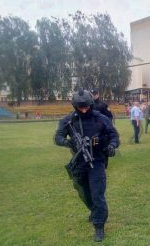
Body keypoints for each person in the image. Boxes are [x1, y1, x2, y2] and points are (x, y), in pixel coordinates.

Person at [54, 89, 119, 242]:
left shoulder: (101, 118)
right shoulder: (68, 120)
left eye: (86, 107)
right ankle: (94, 210)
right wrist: (67, 142)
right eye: (80, 107)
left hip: (96, 160)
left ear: (91, 104)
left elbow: (113, 135)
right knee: (82, 191)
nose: (84, 109)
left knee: (97, 194)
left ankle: (99, 226)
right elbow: (57, 136)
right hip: (78, 162)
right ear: (75, 106)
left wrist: (112, 146)